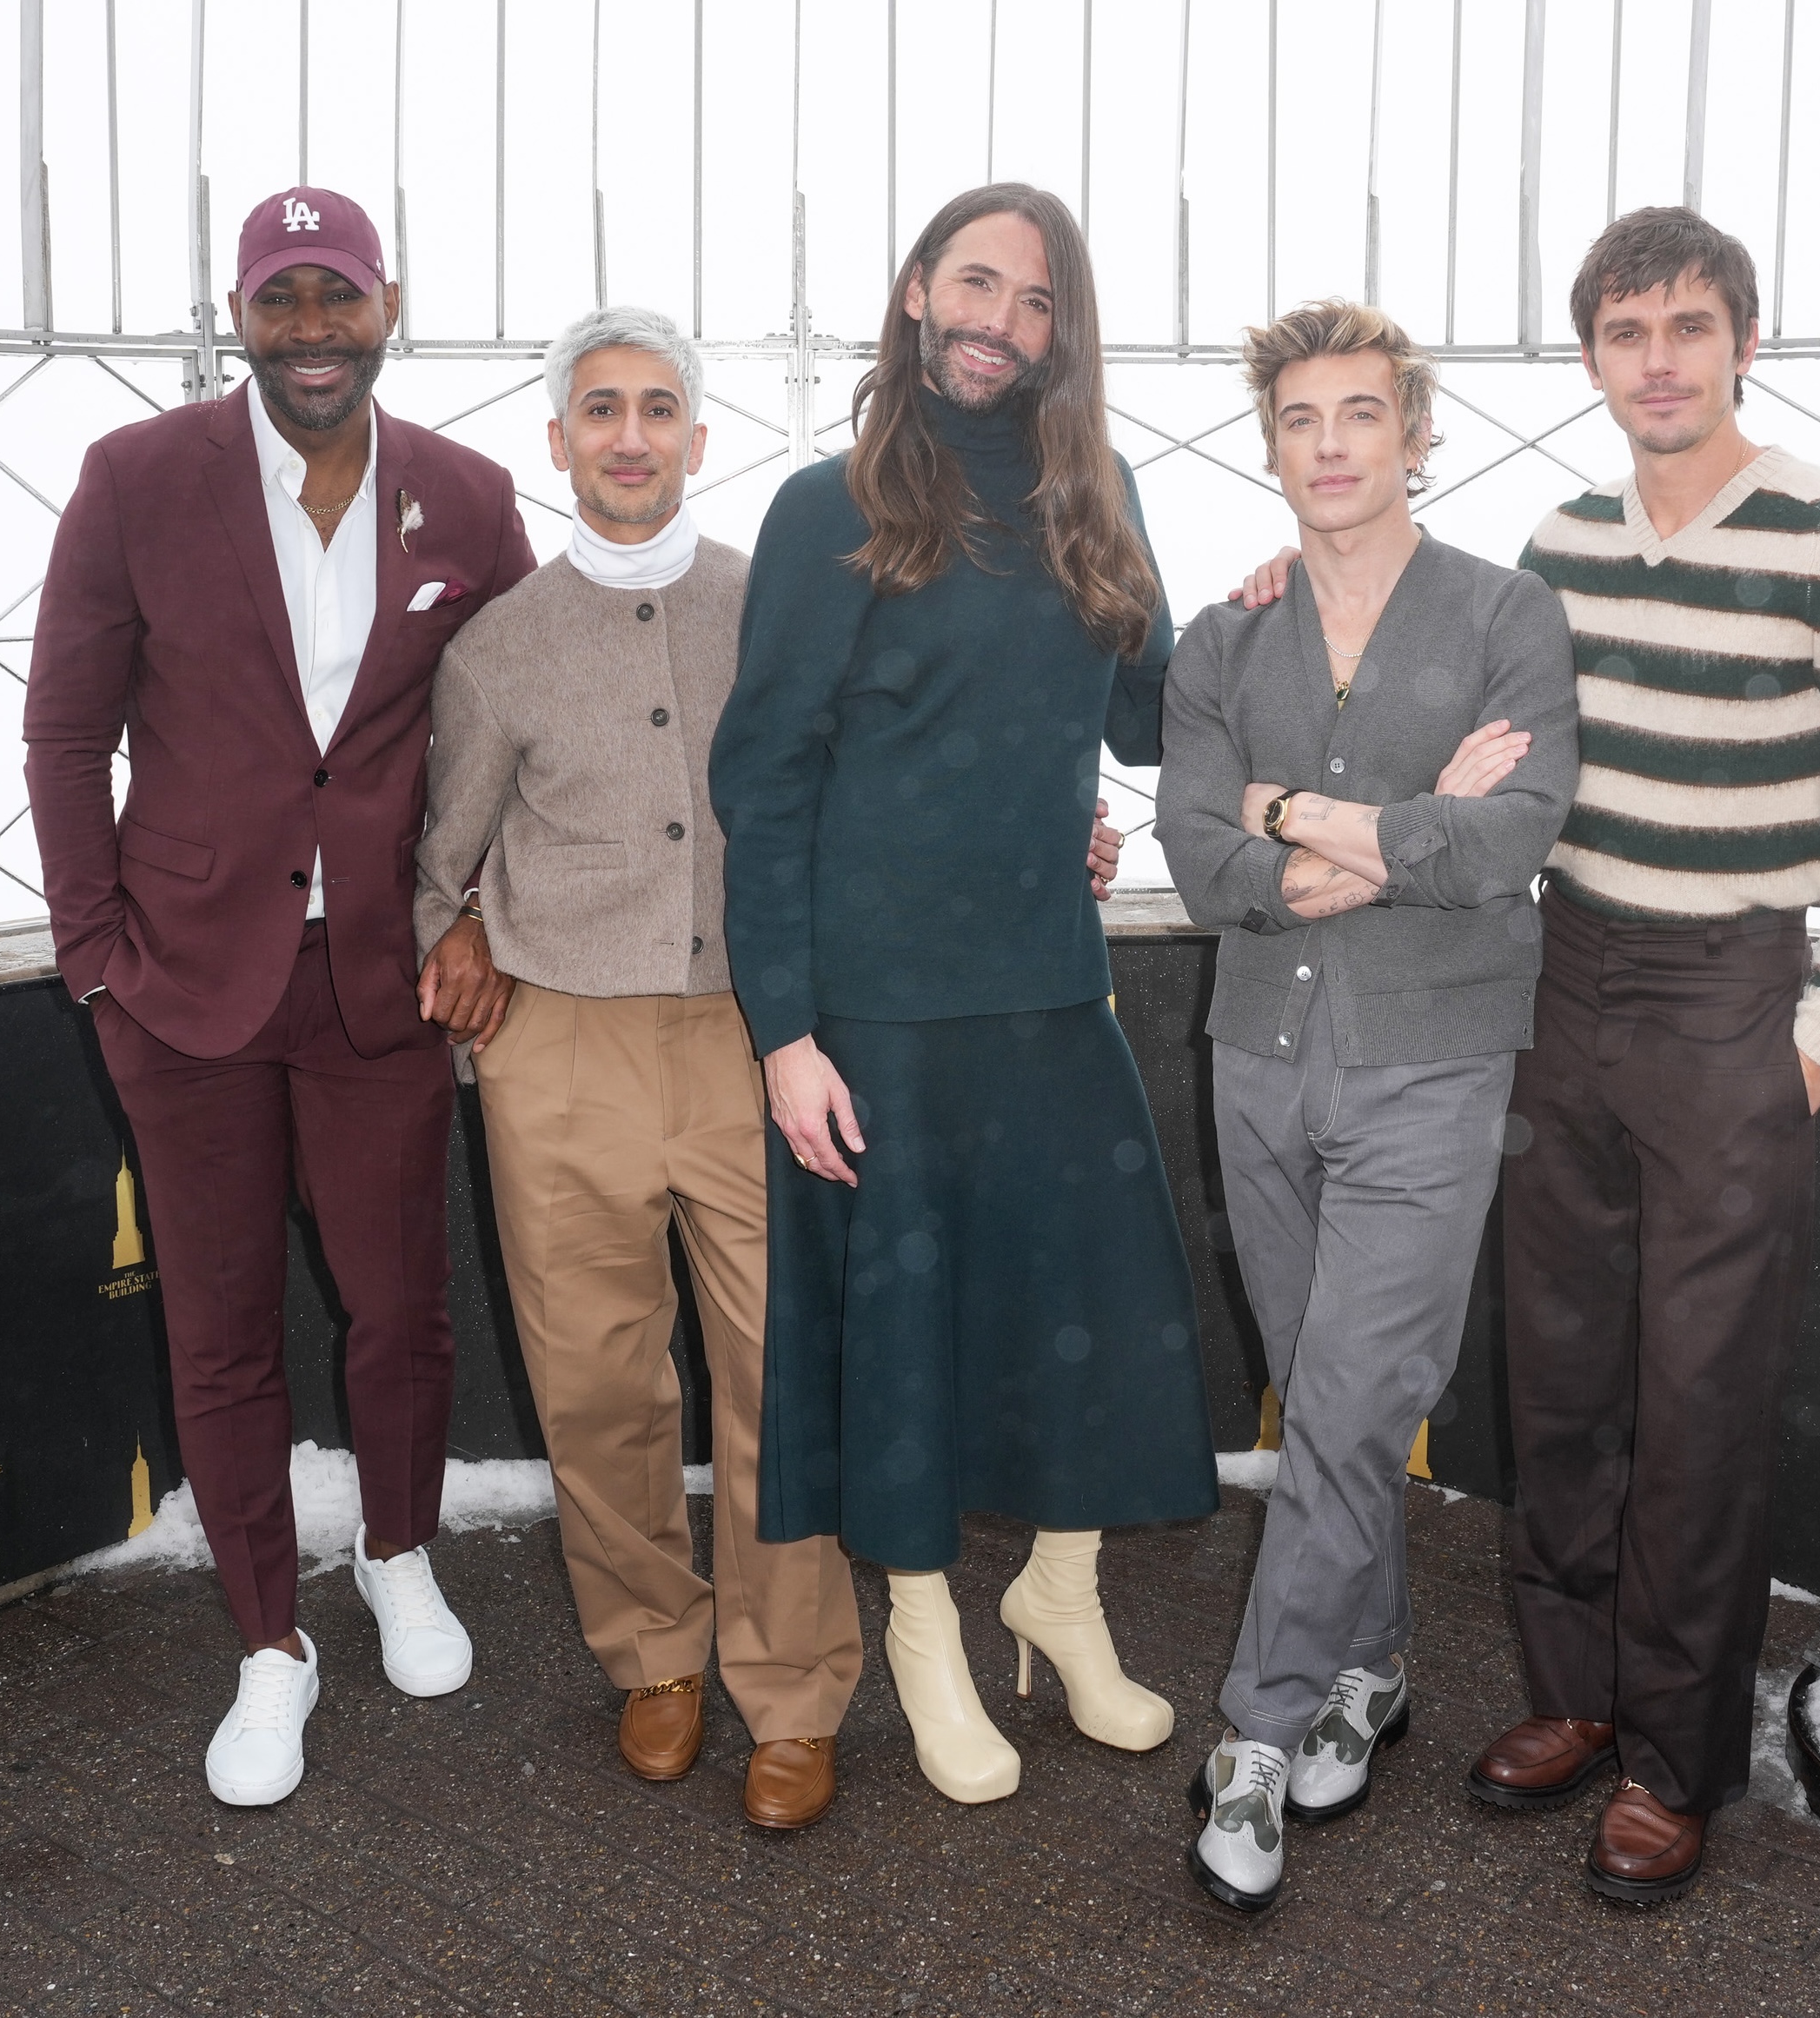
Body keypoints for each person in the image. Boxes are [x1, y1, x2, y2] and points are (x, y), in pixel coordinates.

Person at [1232, 209, 1820, 1901]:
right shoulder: (1554, 544)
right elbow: (1446, 710)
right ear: (1590, 359)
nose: (1656, 359)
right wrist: (1271, 588)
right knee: (1556, 1378)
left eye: (1685, 327)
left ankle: (1672, 1756)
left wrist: (1818, 1045)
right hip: (1560, 978)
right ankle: (1567, 1699)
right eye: (1624, 332)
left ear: (1739, 342)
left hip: (1733, 1004)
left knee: (1695, 1400)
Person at [23, 186, 535, 1807]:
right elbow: (62, 731)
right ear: (238, 313)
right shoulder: (136, 478)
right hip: (181, 988)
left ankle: (397, 1553)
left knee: (400, 1308)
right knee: (222, 1326)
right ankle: (268, 1639)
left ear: (391, 303)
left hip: (383, 982)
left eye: (340, 295)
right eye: (280, 297)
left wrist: (481, 922)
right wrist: (94, 952)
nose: (312, 326)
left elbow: (507, 740)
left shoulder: (467, 495)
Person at [709, 183, 1219, 1806]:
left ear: (1065, 330)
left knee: (1098, 1318)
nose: (1000, 318)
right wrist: (786, 1033)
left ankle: (1055, 1591)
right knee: (910, 1339)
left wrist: (1281, 617)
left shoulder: (1098, 489)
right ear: (920, 287)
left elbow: (1148, 714)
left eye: (1038, 297)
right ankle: (924, 1629)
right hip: (880, 1018)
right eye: (976, 280)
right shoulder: (832, 502)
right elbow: (766, 781)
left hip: (1050, 992)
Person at [409, 307, 868, 1829]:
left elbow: (863, 789)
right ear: (557, 442)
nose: (627, 435)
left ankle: (792, 1686)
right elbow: (439, 856)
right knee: (598, 1377)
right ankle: (652, 1653)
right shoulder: (496, 651)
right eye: (598, 408)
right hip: (560, 1049)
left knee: (773, 1373)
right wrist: (459, 920)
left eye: (657, 407)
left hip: (760, 1036)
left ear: (696, 437)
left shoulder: (777, 607)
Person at [1159, 300, 1578, 1911]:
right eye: (1299, 420)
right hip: (1260, 1055)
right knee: (1318, 1388)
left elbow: (1512, 835)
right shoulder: (1223, 638)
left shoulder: (1506, 613)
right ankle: (1377, 1663)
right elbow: (1206, 861)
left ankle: (1258, 1736)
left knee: (1340, 1407)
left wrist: (1306, 822)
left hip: (1433, 1067)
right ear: (1272, 444)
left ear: (1415, 429)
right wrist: (1392, 832)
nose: (1329, 446)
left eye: (1360, 415)